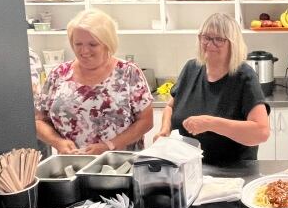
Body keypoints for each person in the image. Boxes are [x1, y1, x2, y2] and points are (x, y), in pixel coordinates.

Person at [156, 13, 270, 165]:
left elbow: (261, 132)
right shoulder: (191, 68)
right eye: (206, 38)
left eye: (218, 39)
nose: (210, 44)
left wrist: (210, 123)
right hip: (188, 167)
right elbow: (171, 106)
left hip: (233, 172)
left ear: (233, 43)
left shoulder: (244, 76)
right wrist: (164, 130)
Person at [35, 9, 153, 155]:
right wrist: (58, 142)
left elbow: (146, 121)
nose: (84, 51)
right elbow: (39, 121)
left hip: (121, 165)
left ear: (107, 43)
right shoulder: (58, 74)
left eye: (93, 44)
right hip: (70, 166)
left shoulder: (128, 73)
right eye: (78, 44)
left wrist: (109, 145)